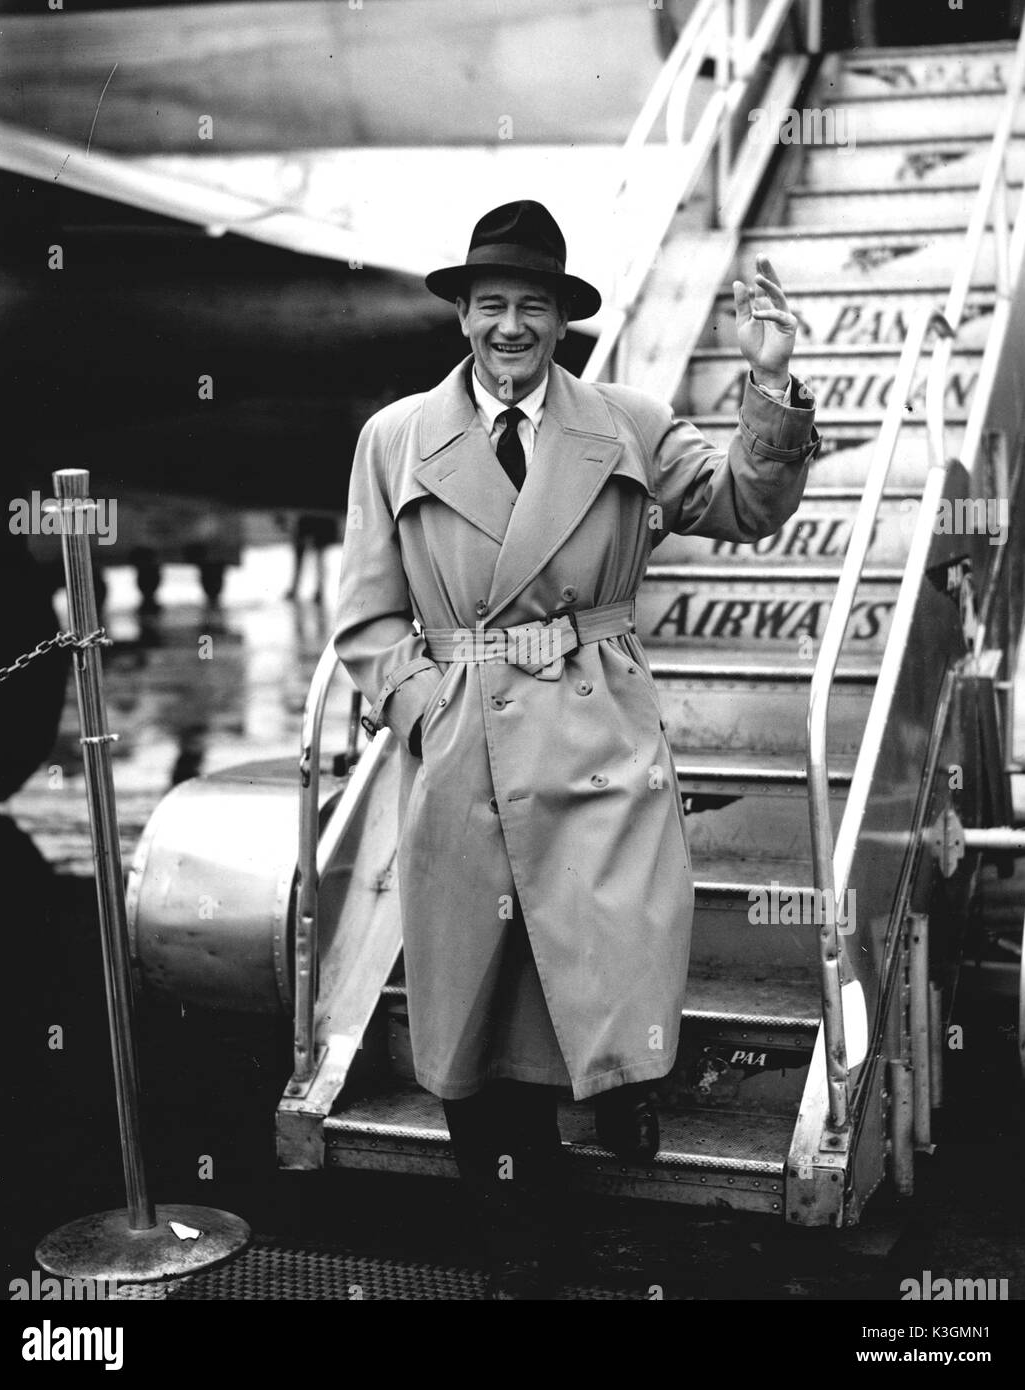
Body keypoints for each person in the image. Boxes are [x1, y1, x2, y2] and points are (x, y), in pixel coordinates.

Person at [334, 200, 819, 1297]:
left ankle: (619, 1086)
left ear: (563, 322)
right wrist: (425, 706)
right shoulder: (394, 438)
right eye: (492, 304)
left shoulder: (630, 422)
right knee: (473, 998)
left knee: (609, 947)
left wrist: (771, 384)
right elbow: (364, 621)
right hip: (466, 748)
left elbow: (746, 503)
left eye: (534, 308)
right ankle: (524, 1244)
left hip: (598, 729)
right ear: (461, 314)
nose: (512, 327)